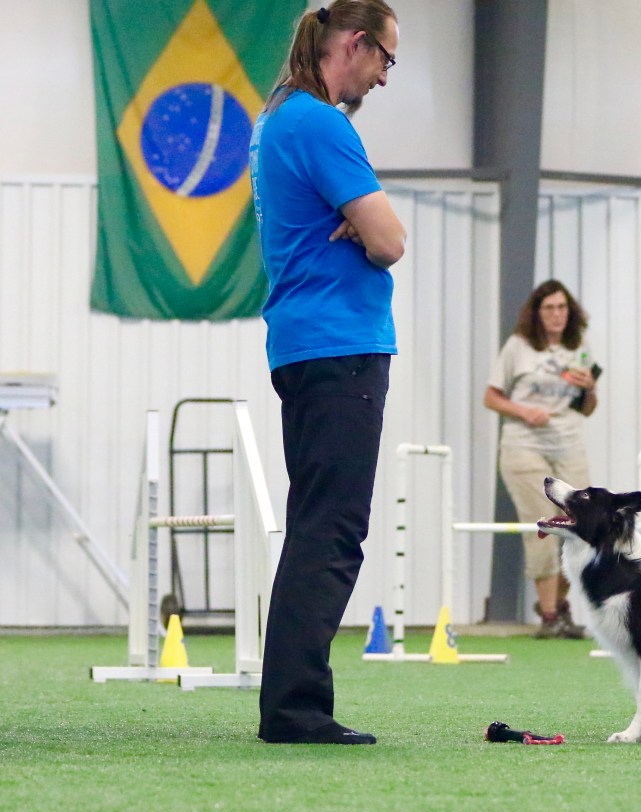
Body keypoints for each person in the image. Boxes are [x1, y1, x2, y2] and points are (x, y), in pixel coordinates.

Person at [248, 1, 405, 744]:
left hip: (306, 344)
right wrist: (370, 230)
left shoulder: (278, 118)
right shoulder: (320, 123)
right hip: (340, 344)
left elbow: (369, 230)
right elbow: (391, 241)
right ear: (356, 43)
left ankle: (291, 702)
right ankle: (295, 709)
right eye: (385, 60)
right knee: (332, 531)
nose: (384, 78)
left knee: (316, 525)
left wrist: (362, 226)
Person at [484, 280, 599, 638]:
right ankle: (549, 617)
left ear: (571, 312)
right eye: (549, 308)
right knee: (545, 526)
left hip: (567, 443)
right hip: (524, 445)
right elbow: (491, 397)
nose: (556, 315)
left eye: (562, 307)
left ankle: (560, 606)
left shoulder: (579, 347)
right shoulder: (518, 347)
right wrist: (524, 411)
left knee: (582, 525)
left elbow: (587, 409)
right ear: (537, 313)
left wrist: (590, 389)